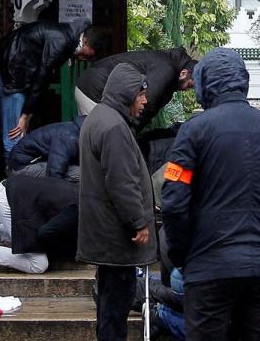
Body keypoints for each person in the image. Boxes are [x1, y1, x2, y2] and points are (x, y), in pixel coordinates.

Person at [161, 48, 260, 340]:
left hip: (207, 268)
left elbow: (174, 201)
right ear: (243, 81)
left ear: (204, 84)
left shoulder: (193, 131)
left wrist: (183, 256)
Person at [77, 63, 157, 341]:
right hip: (115, 237)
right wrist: (139, 220)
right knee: (116, 306)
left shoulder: (99, 118)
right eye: (141, 94)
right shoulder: (113, 127)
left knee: (110, 305)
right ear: (126, 93)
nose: (145, 100)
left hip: (105, 232)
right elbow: (122, 181)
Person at [0, 17, 107, 151]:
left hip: (16, 72)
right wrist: (25, 115)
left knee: (17, 135)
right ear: (85, 41)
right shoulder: (62, 41)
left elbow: (44, 76)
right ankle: (14, 169)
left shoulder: (68, 38)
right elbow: (43, 74)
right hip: (13, 78)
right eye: (89, 55)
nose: (85, 59)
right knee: (14, 135)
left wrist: (28, 113)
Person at [0, 176, 79, 274]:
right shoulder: (79, 211)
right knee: (38, 264)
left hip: (11, 190)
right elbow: (45, 233)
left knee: (35, 238)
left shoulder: (83, 196)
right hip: (11, 200)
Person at [73, 47, 196, 127]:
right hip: (94, 89)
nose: (185, 90)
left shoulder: (166, 65)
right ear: (183, 73)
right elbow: (148, 103)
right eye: (189, 85)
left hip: (92, 84)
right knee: (102, 142)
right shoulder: (166, 70)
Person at [4, 118, 82, 180]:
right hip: (21, 167)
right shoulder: (69, 136)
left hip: (25, 162)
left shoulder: (74, 129)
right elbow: (54, 172)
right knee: (82, 174)